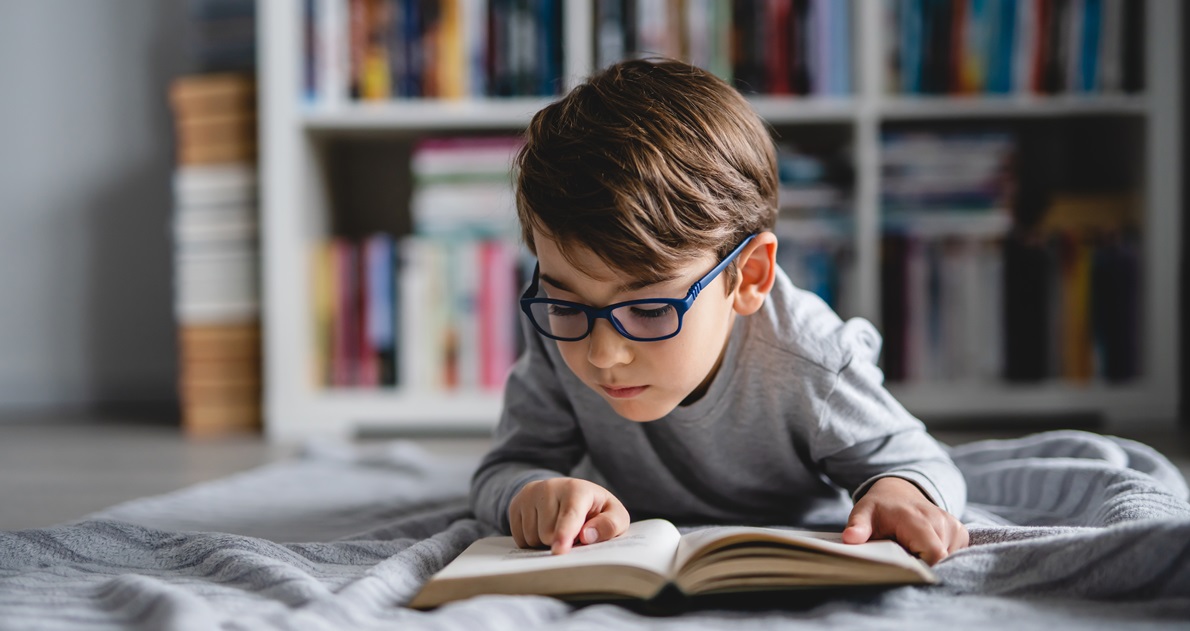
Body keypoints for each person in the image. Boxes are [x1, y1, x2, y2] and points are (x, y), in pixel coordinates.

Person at [470, 59, 969, 565]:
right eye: (565, 303)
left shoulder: (811, 360)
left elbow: (922, 462)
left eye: (647, 308)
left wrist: (901, 493)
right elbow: (508, 466)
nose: (602, 353)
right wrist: (530, 493)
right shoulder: (563, 333)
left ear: (749, 276)